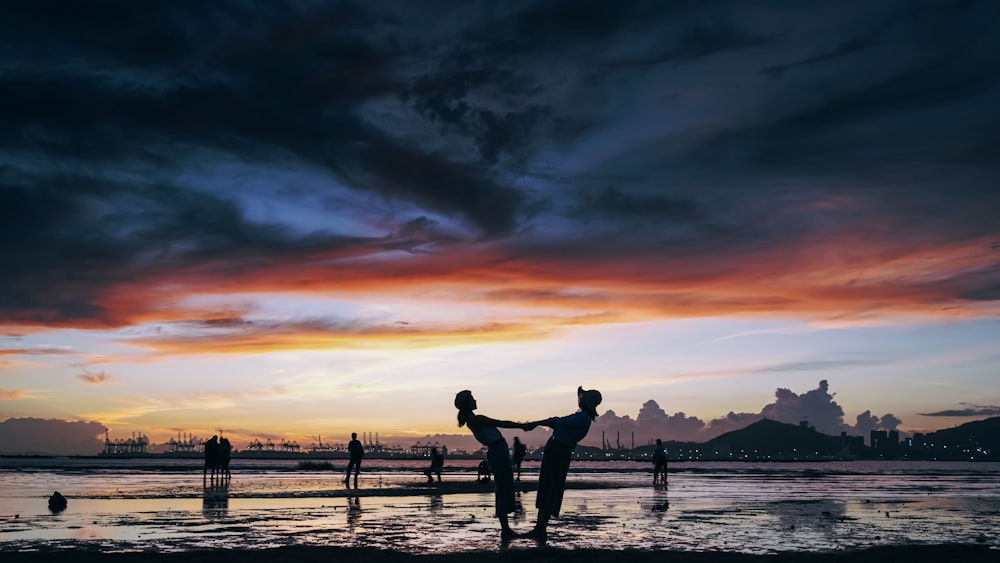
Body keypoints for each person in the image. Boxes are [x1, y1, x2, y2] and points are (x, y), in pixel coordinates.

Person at [525, 386, 602, 543]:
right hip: (557, 452)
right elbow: (557, 421)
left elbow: (556, 422)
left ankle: (540, 529)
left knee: (549, 487)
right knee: (548, 487)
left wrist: (534, 423)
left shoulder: (582, 418)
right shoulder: (581, 416)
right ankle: (540, 527)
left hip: (558, 453)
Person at [455, 389, 532, 540]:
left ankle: (506, 528)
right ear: (468, 403)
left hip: (497, 451)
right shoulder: (477, 419)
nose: (475, 400)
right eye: (472, 398)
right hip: (497, 451)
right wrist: (522, 426)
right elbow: (501, 423)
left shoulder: (472, 420)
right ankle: (505, 530)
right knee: (503, 488)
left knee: (503, 487)